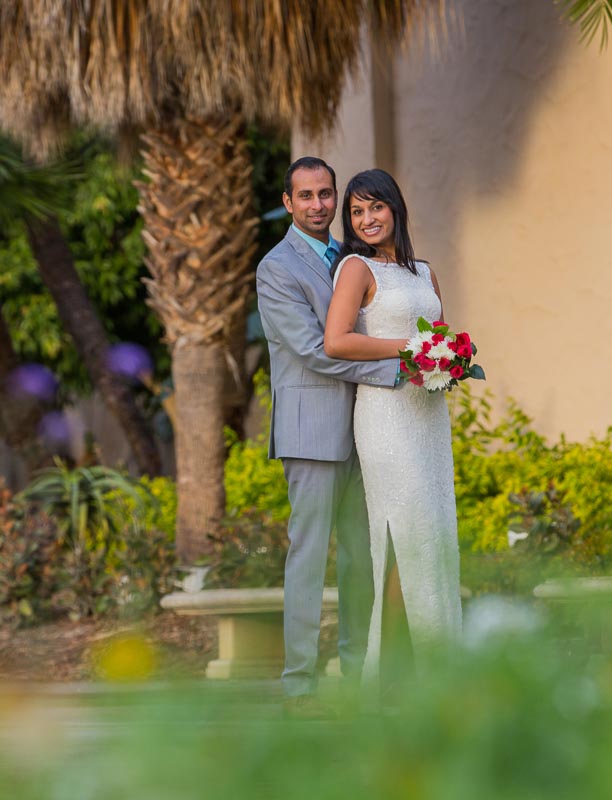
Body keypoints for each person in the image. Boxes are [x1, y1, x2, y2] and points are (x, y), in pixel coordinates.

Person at [255, 157, 401, 716]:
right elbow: (317, 351)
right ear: (288, 203)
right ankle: (299, 684)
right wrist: (398, 369)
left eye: (326, 194)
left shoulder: (354, 259)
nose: (318, 204)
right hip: (310, 432)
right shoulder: (275, 268)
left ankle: (357, 671)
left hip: (367, 428)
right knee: (309, 559)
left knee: (361, 559)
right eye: (306, 195)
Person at [324, 168, 463, 694]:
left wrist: (447, 359)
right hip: (385, 416)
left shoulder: (424, 272)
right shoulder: (354, 268)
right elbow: (336, 341)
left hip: (428, 416)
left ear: (394, 208)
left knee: (433, 536)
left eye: (374, 208)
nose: (367, 219)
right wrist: (409, 348)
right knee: (402, 536)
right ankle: (397, 675)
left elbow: (440, 334)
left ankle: (438, 664)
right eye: (356, 212)